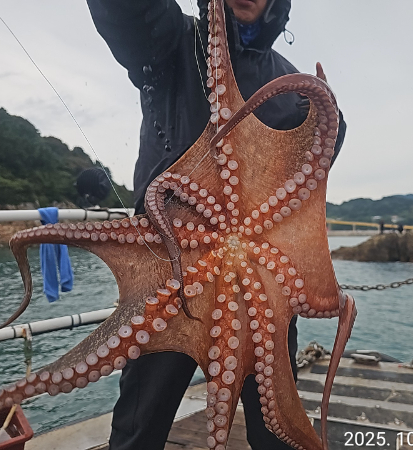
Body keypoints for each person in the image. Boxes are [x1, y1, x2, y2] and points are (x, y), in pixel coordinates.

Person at [87, 1, 346, 449]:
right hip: (166, 277)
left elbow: (309, 177)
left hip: (263, 288)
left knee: (277, 430)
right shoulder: (170, 41)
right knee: (139, 429)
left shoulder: (292, 85)